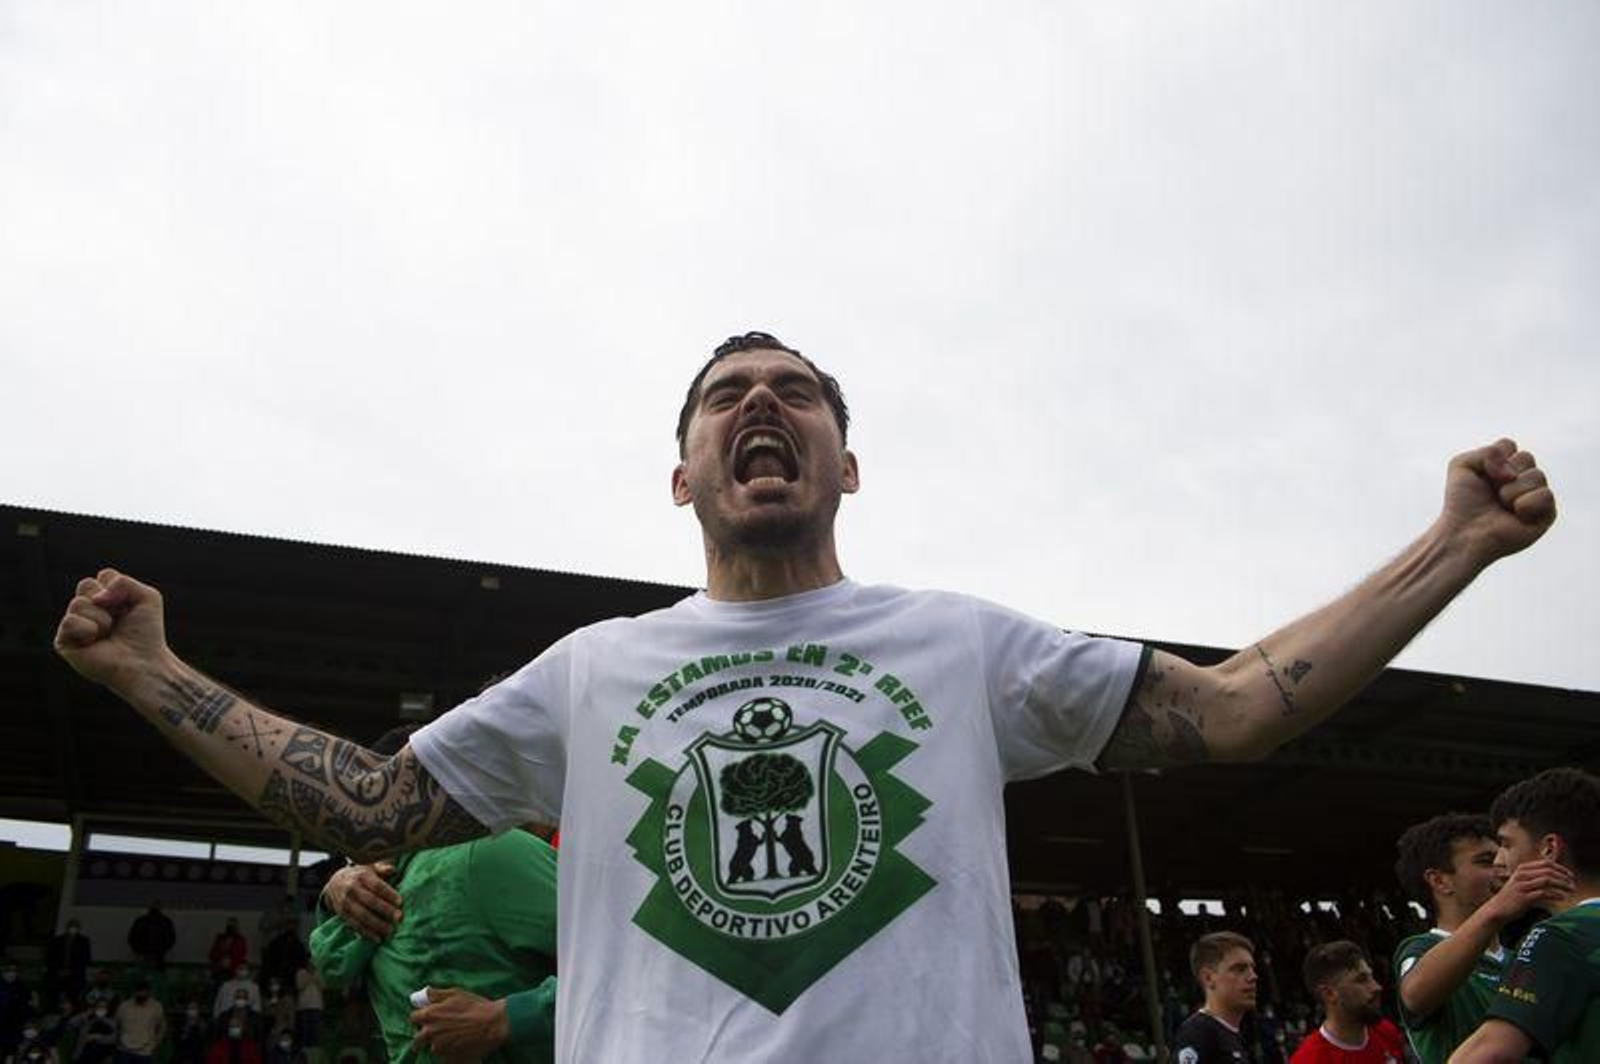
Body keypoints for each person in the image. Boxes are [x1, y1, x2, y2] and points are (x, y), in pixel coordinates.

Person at [53, 334, 1559, 1062]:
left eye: (797, 393)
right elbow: (376, 802)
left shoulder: (961, 643)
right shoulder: (591, 671)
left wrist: (1456, 542)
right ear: (683, 475)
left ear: (845, 463)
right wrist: (150, 673)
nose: (760, 405)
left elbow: (1235, 710)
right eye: (726, 396)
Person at [310, 825, 559, 1064]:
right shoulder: (484, 855)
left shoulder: (369, 894)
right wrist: (506, 1017)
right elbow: (332, 962)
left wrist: (503, 1018)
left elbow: (332, 961)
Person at [1391, 812, 1572, 1062]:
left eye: (1502, 854)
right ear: (1440, 881)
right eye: (1486, 861)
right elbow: (1415, 995)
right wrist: (1497, 908)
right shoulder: (1421, 949)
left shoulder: (1524, 955)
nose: (1502, 866)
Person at [1448, 767, 1600, 1063]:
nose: (1498, 859)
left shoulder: (1560, 935)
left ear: (1549, 849)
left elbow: (1488, 1053)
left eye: (1506, 844)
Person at [1289, 941, 1404, 1063]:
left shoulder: (1386, 1032)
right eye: (1361, 980)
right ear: (1329, 994)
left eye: (1371, 977)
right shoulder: (1309, 1059)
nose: (1376, 987)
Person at [1173, 931, 1258, 1063]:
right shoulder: (1198, 1034)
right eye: (1239, 969)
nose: (1253, 977)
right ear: (1208, 978)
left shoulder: (1232, 1034)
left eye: (1252, 968)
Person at [112, 980, 165, 1064]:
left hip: (145, 1051)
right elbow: (115, 1024)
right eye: (139, 991)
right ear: (134, 992)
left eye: (144, 991)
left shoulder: (156, 1006)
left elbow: (162, 1026)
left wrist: (156, 1043)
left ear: (149, 992)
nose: (141, 994)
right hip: (124, 1049)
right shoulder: (124, 1006)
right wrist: (116, 1040)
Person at [44, 922, 90, 1004]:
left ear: (79, 929)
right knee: (53, 996)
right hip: (57, 973)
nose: (73, 929)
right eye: (71, 927)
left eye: (75, 927)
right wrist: (55, 969)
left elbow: (86, 958)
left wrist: (73, 970)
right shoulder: (57, 940)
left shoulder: (83, 941)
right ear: (67, 928)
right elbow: (50, 956)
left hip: (74, 975)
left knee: (73, 998)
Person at [125, 904, 176, 972]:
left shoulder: (140, 920)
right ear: (160, 908)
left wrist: (138, 951)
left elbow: (131, 938)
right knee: (158, 977)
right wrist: (161, 951)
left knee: (142, 976)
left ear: (149, 908)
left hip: (143, 955)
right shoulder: (166, 921)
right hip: (158, 955)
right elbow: (171, 939)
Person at [208, 922, 247, 990]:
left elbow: (242, 954)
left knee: (231, 989)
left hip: (233, 970)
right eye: (230, 927)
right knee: (219, 989)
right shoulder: (220, 938)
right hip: (220, 969)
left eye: (233, 927)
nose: (231, 929)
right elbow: (212, 954)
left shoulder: (240, 940)